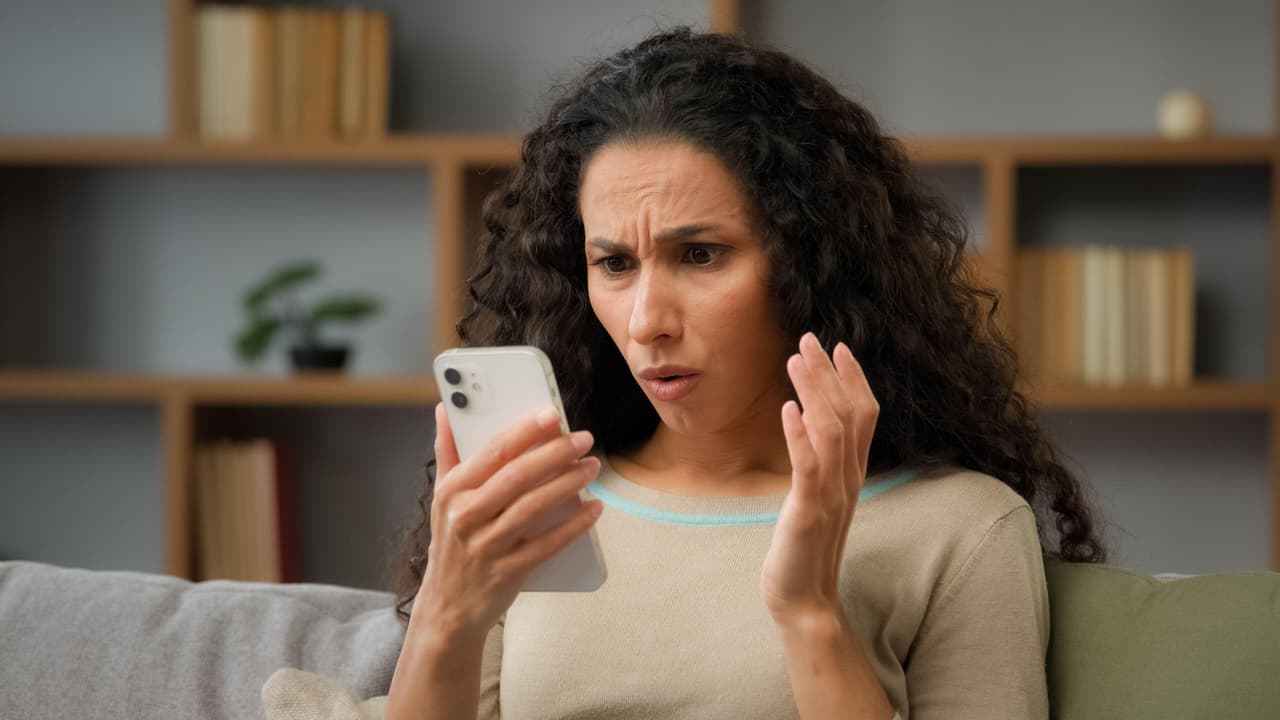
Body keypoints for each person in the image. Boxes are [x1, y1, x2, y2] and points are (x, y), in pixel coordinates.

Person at [261, 27, 1108, 720]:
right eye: (615, 262)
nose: (647, 320)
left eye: (700, 254)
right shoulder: (547, 505)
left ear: (808, 263)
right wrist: (450, 606)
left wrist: (810, 607)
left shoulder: (960, 528)